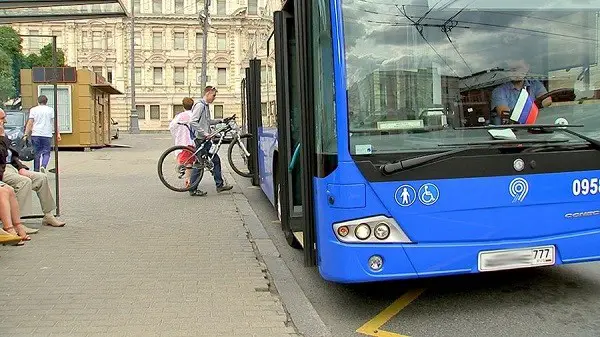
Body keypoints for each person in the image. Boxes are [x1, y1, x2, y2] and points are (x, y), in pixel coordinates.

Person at [0, 108, 65, 228]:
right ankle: (17, 222)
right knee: (24, 182)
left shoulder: (3, 133)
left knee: (41, 178)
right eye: (2, 118)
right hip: (2, 170)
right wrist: (2, 137)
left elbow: (12, 155)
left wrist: (21, 167)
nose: (5, 121)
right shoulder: (2, 134)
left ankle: (48, 215)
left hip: (11, 167)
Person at [189, 86, 233, 194]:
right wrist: (205, 133)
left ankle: (219, 185)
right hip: (201, 139)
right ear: (208, 93)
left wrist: (220, 121)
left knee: (214, 160)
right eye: (213, 95)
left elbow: (207, 121)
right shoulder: (200, 106)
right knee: (199, 164)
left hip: (204, 139)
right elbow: (193, 122)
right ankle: (193, 189)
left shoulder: (205, 106)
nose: (214, 98)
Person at [490, 59, 553, 125]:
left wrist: (532, 109)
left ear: (527, 67)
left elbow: (547, 100)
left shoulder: (535, 84)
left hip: (536, 126)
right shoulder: (499, 91)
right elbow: (504, 113)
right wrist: (531, 109)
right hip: (512, 129)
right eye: (511, 69)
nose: (515, 72)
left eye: (519, 68)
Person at [169, 97, 206, 197]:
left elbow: (172, 127)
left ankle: (188, 179)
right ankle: (189, 181)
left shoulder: (180, 116)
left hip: (182, 141)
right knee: (192, 162)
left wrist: (177, 135)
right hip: (192, 142)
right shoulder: (194, 115)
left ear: (183, 106)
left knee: (187, 162)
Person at [25, 95, 61, 172]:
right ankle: (43, 166)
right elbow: (55, 123)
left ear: (38, 101)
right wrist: (58, 134)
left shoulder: (33, 110)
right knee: (46, 152)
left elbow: (30, 123)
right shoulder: (50, 110)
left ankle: (36, 170)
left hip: (36, 134)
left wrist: (26, 134)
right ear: (46, 101)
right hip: (47, 134)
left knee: (36, 153)